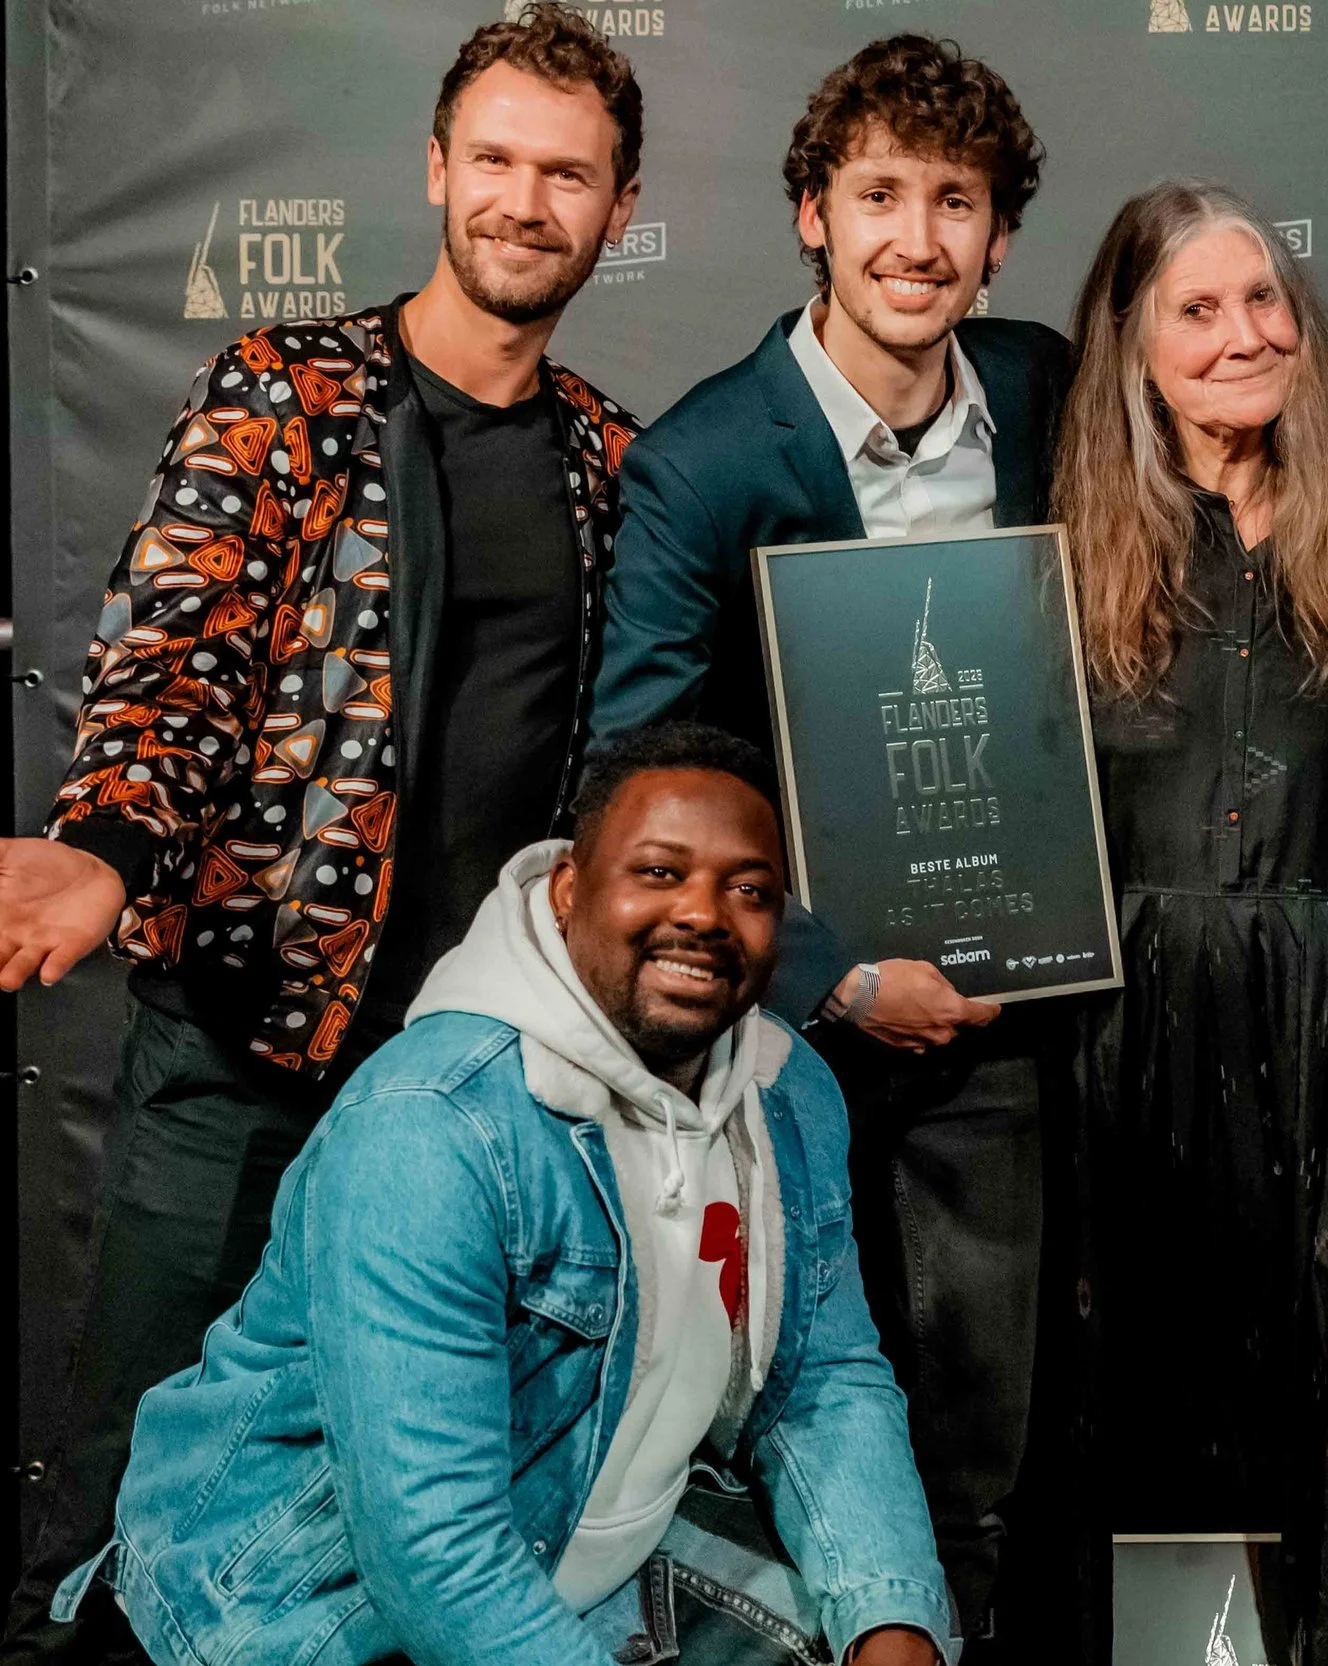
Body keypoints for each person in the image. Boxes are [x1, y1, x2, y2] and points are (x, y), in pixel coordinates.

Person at [0, 8, 644, 1654]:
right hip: (246, 1056)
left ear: (620, 207)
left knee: (395, 1533)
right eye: (493, 159)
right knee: (124, 1503)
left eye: (566, 174)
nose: (523, 201)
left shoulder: (610, 463)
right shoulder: (283, 394)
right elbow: (179, 663)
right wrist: (106, 848)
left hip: (467, 1103)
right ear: (435, 168)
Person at [52, 723, 953, 1666]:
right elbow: (431, 1548)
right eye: (658, 872)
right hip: (311, 1607)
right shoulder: (432, 1126)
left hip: (592, 1542)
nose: (703, 913)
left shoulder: (787, 1093)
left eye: (750, 890)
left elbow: (823, 1378)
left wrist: (892, 1619)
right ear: (568, 890)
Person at [589, 36, 1067, 1645]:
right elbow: (636, 775)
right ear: (812, 214)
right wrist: (838, 976)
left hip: (1006, 1022)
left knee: (990, 1434)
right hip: (790, 1036)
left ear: (1000, 235)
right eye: (878, 196)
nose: (916, 240)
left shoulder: (1042, 390)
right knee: (801, 1421)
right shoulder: (706, 459)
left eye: (955, 201)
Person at [1044, 180, 1328, 1663]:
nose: (1245, 334)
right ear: (1130, 345)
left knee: (1323, 1379)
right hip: (1123, 1029)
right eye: (1197, 310)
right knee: (1136, 1379)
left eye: (1264, 300)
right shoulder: (1061, 543)